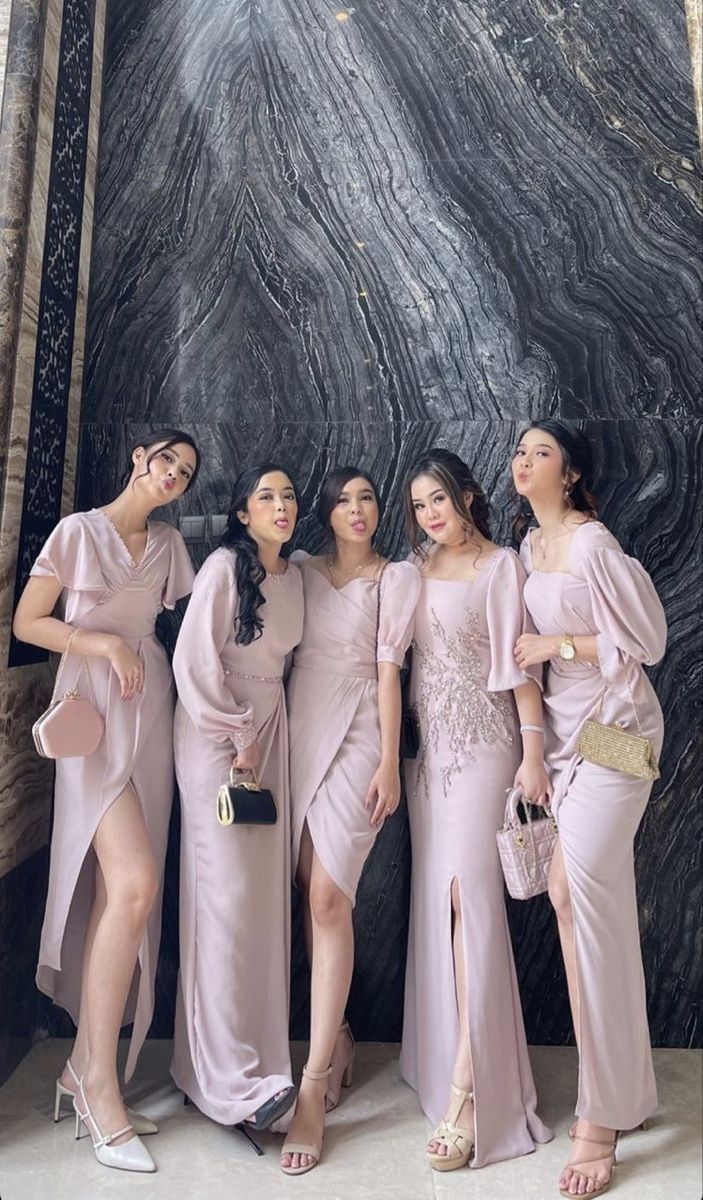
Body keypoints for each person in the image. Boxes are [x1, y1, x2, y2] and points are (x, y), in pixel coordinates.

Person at [12, 430, 199, 1172]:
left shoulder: (169, 549)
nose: (172, 477)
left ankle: (82, 1066)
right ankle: (96, 1084)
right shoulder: (77, 531)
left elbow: (177, 638)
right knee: (134, 883)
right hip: (90, 712)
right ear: (137, 457)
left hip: (148, 714)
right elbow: (28, 622)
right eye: (165, 462)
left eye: (183, 474)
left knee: (119, 897)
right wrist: (104, 646)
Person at [513, 419, 667, 1199]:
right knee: (575, 907)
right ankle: (625, 1092)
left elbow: (647, 641)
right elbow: (514, 662)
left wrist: (558, 647)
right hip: (567, 743)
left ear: (568, 474)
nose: (524, 460)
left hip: (617, 736)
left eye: (540, 452)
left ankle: (600, 1115)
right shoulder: (525, 552)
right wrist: (532, 749)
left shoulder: (593, 545)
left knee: (580, 897)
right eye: (518, 451)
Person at [400, 447, 552, 1172]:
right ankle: (442, 1064)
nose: (431, 515)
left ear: (466, 495)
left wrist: (531, 754)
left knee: (470, 904)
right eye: (419, 506)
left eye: (439, 500)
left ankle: (470, 1090)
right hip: (429, 758)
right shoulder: (416, 568)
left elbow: (518, 669)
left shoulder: (500, 567)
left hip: (487, 748)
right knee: (443, 908)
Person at [280, 467, 420, 1175]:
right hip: (297, 729)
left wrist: (389, 760)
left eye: (367, 497)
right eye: (343, 500)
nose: (357, 509)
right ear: (325, 512)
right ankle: (333, 1036)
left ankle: (310, 1087)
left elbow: (390, 670)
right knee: (306, 890)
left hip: (362, 731)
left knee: (330, 897)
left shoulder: (394, 578)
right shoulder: (300, 571)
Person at [171, 463, 304, 1139]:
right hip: (216, 736)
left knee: (259, 902)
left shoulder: (296, 575)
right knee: (221, 900)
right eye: (265, 496)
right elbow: (192, 662)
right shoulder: (224, 567)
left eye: (287, 495)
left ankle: (258, 1064)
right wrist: (235, 738)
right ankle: (225, 1081)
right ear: (243, 513)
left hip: (271, 734)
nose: (280, 505)